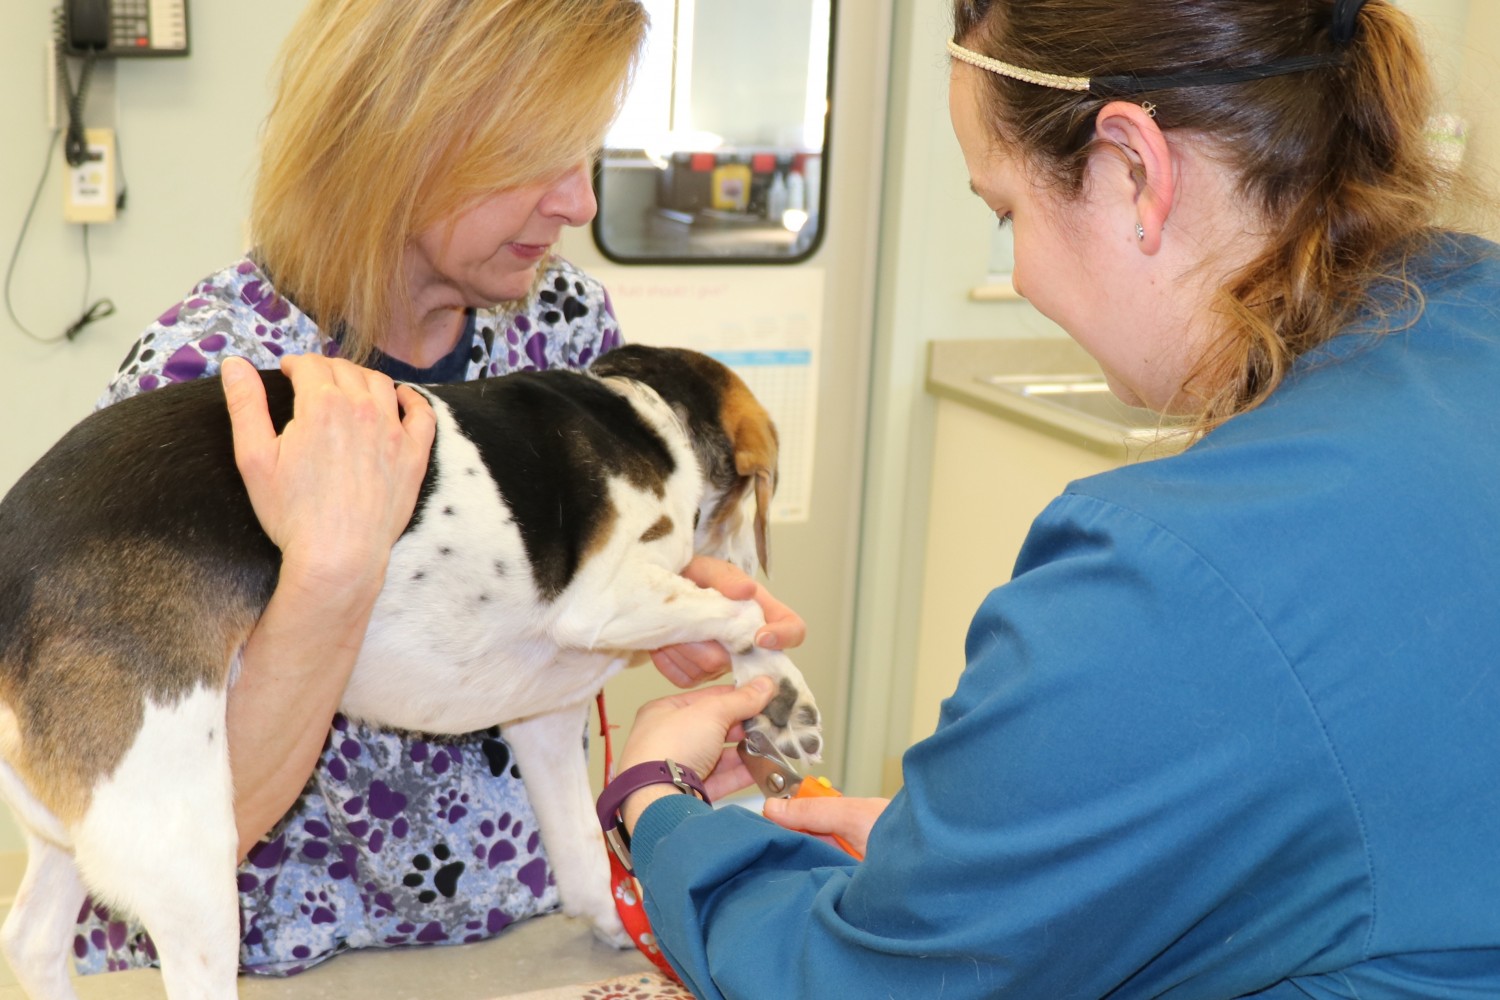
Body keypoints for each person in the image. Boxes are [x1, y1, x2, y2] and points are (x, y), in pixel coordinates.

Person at [605, 1, 1500, 996]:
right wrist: (981, 874)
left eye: (1004, 212)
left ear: (1131, 170)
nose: (1021, 272)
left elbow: (846, 984)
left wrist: (661, 807)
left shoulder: (1173, 573)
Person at [75, 0, 803, 978]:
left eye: (585, 156)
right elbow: (167, 806)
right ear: (398, 135)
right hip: (261, 945)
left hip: (519, 918)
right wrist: (329, 585)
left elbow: (524, 632)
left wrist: (654, 606)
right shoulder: (213, 385)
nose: (579, 206)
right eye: (537, 159)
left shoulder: (564, 326)